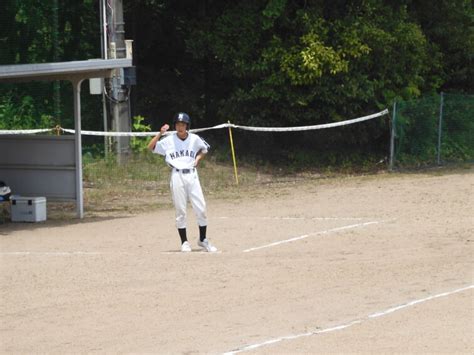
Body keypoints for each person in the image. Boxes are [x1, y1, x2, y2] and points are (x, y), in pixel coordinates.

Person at [147, 112, 217, 253]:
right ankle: (184, 242)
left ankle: (202, 239)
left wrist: (197, 159)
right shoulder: (169, 140)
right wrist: (160, 133)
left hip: (192, 175)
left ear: (187, 126)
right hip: (177, 175)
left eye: (183, 124)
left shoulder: (194, 139)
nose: (180, 127)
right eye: (178, 124)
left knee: (201, 208)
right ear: (175, 126)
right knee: (180, 210)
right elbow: (151, 147)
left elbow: (205, 149)